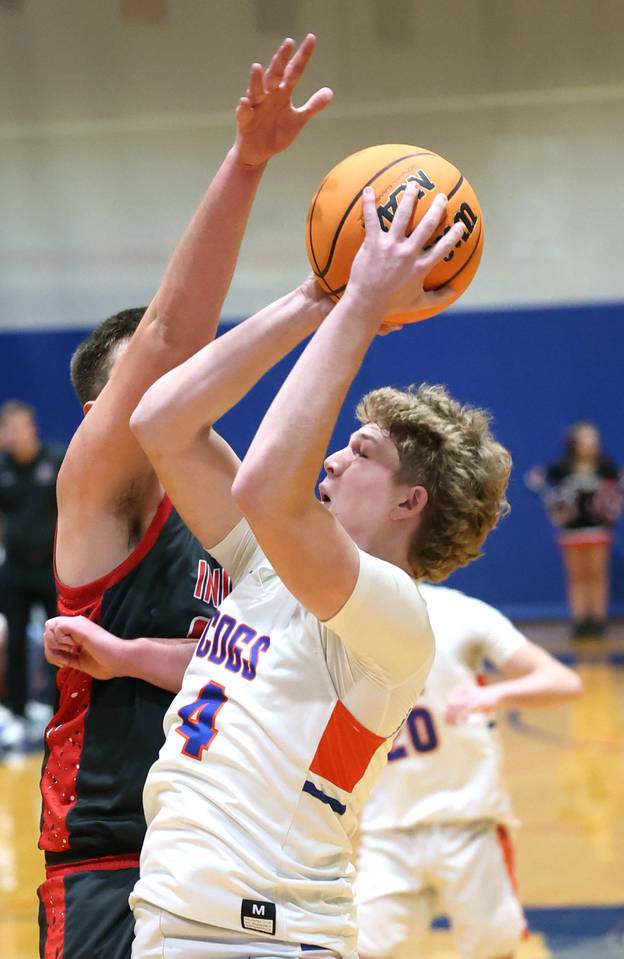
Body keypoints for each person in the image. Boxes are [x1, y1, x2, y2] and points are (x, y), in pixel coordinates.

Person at [118, 179, 511, 958]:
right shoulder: (270, 563)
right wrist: (318, 297)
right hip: (179, 919)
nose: (333, 454)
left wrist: (363, 309)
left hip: (262, 935)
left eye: (362, 451)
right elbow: (161, 423)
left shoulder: (394, 621)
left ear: (410, 502)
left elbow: (264, 482)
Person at [37, 36, 333, 959]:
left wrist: (135, 654)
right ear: (99, 413)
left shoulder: (222, 500)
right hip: (111, 859)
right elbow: (167, 336)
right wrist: (248, 166)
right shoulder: (101, 494)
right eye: (149, 383)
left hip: (230, 854)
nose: (185, 379)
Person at [355, 583, 582, 959]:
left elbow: (564, 681)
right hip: (387, 827)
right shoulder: (344, 615)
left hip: (468, 820)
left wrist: (493, 695)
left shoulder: (460, 613)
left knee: (493, 951)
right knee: (362, 950)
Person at [0, 401, 64, 732]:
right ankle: (16, 711)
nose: (14, 435)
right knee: (13, 638)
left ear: (33, 428)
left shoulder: (55, 459)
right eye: (8, 429)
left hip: (51, 566)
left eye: (19, 427)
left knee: (59, 638)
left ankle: (60, 712)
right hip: (13, 567)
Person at [527, 422, 622, 638]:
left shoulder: (605, 467)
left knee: (597, 576)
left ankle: (598, 621)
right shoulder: (562, 468)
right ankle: (579, 621)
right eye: (586, 439)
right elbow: (537, 481)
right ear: (574, 442)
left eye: (594, 439)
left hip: (598, 529)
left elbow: (616, 491)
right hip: (572, 531)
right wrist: (556, 506)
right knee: (577, 577)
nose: (591, 443)